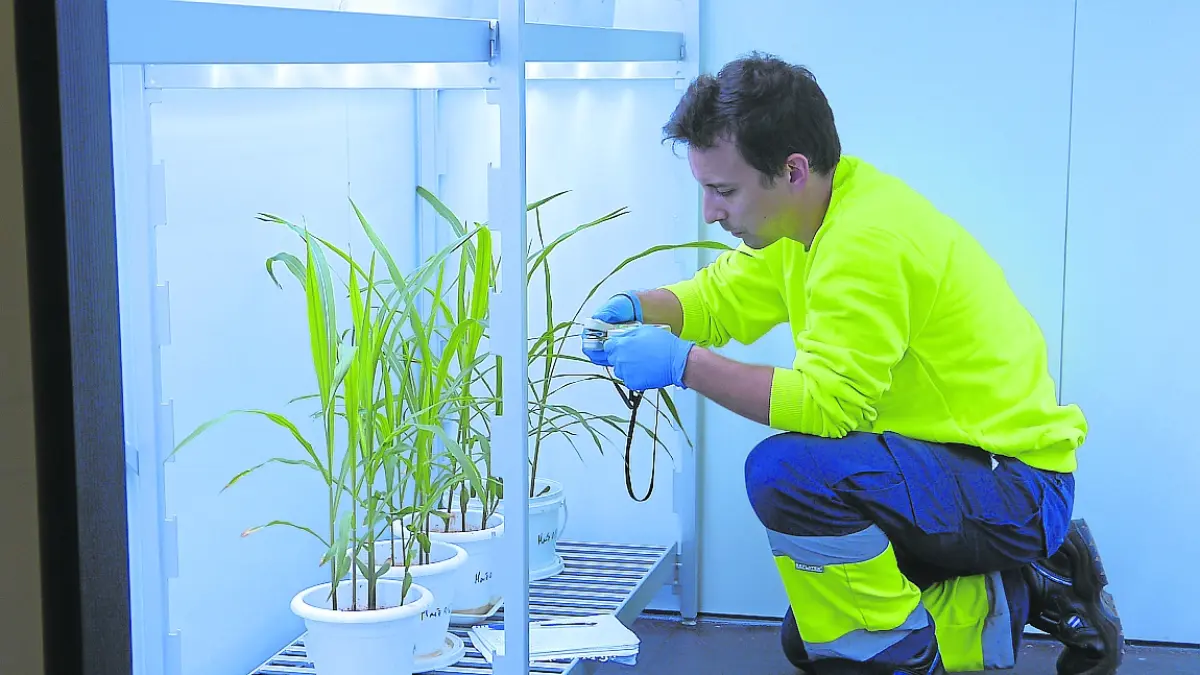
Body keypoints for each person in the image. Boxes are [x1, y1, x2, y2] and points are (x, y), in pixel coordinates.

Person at [581, 52, 1124, 675]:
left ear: (792, 170)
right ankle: (1032, 583)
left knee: (787, 474)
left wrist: (684, 365)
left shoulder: (866, 243)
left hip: (1011, 484)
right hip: (947, 467)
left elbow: (827, 406)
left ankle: (921, 648)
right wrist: (642, 307)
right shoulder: (811, 214)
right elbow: (722, 297)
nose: (710, 211)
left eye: (724, 190)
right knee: (811, 635)